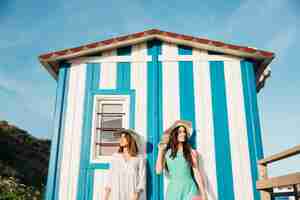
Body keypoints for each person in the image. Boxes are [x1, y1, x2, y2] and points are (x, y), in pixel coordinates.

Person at [156, 120, 207, 200]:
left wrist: (204, 194)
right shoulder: (167, 153)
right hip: (174, 191)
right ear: (174, 134)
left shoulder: (191, 152)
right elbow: (158, 171)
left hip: (190, 189)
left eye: (184, 132)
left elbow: (197, 173)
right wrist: (160, 150)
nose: (183, 134)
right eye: (180, 132)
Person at [103, 129, 146, 200]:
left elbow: (142, 178)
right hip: (116, 194)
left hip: (132, 195)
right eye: (120, 137)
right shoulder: (115, 157)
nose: (121, 139)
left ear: (131, 139)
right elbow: (110, 177)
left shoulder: (139, 158)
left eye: (124, 137)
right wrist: (106, 197)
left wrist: (137, 193)